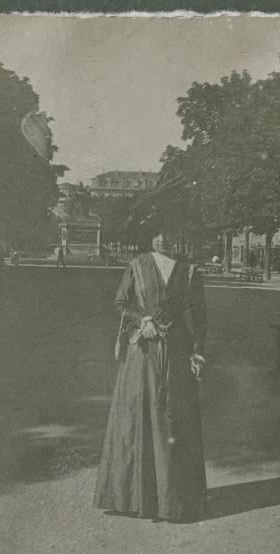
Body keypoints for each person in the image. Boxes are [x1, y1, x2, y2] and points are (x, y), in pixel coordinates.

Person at [94, 222, 208, 523]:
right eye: (157, 233)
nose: (163, 238)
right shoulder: (138, 264)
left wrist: (198, 351)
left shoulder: (189, 269)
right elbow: (120, 302)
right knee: (137, 418)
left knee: (172, 422)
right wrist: (141, 319)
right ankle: (131, 497)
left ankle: (175, 500)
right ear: (150, 236)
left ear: (178, 234)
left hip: (178, 353)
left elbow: (200, 313)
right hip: (142, 354)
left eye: (168, 232)